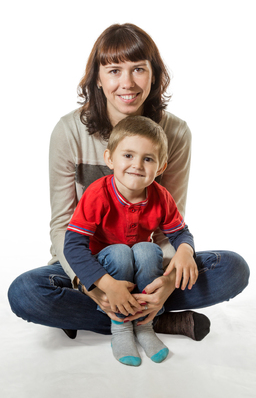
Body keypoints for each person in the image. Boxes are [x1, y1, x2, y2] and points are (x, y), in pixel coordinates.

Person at [8, 23, 249, 345]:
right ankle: (155, 320)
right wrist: (95, 286)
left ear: (154, 75)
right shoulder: (69, 132)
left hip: (148, 263)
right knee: (26, 293)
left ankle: (108, 315)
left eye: (138, 69)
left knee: (232, 269)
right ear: (97, 77)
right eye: (114, 70)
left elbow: (170, 226)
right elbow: (63, 225)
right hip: (87, 261)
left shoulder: (174, 133)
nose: (127, 83)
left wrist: (164, 283)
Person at [64, 115, 198, 366]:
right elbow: (72, 245)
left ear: (160, 168)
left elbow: (180, 233)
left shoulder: (161, 196)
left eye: (147, 159)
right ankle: (121, 327)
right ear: (109, 159)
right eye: (128, 155)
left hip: (141, 269)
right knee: (119, 253)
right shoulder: (97, 194)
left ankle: (146, 325)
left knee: (148, 249)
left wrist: (185, 251)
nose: (137, 165)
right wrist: (106, 285)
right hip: (104, 270)